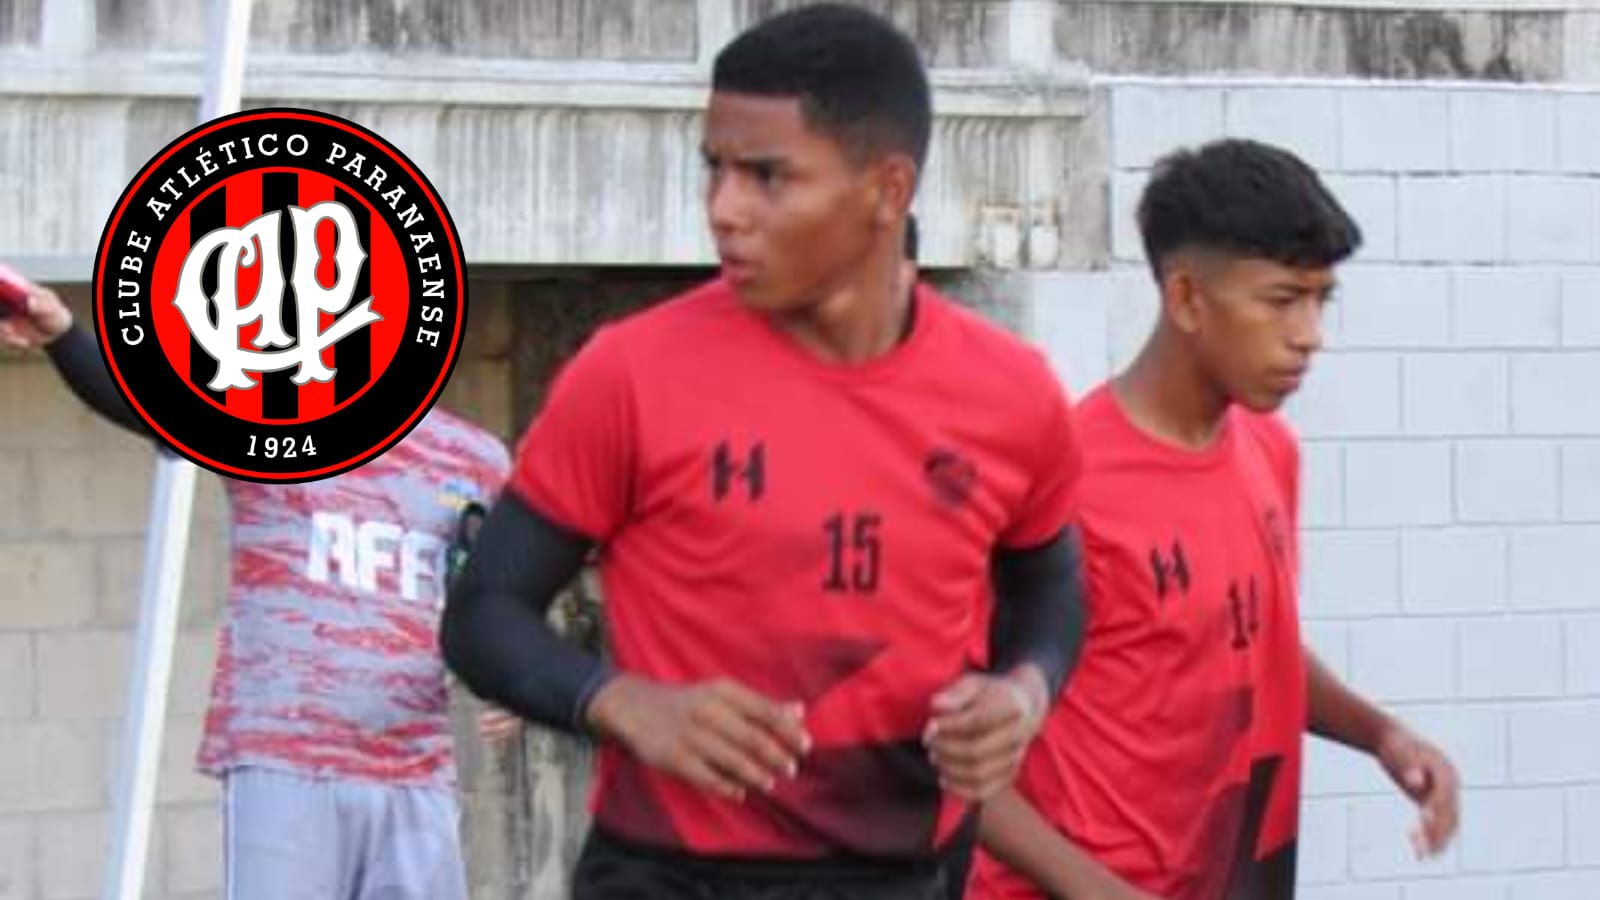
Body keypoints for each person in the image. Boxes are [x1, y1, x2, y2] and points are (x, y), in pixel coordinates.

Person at [441, 5, 1088, 898]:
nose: (724, 209)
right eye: (714, 168)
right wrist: (618, 701)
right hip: (667, 877)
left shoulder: (1012, 392)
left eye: (766, 176)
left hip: (903, 876)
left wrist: (1024, 691)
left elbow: (1051, 587)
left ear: (888, 189)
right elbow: (482, 612)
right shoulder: (630, 374)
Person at [967, 139, 1461, 900]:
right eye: (1282, 299)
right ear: (1187, 299)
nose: (1310, 333)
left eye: (1321, 299)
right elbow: (954, 759)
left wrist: (1380, 734)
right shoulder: (1063, 485)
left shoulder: (1270, 450)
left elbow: (1249, 642)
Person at [0, 269, 515, 900]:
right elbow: (142, 401)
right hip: (284, 760)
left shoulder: (476, 459)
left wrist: (511, 680)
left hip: (415, 769)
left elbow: (498, 593)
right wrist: (62, 334)